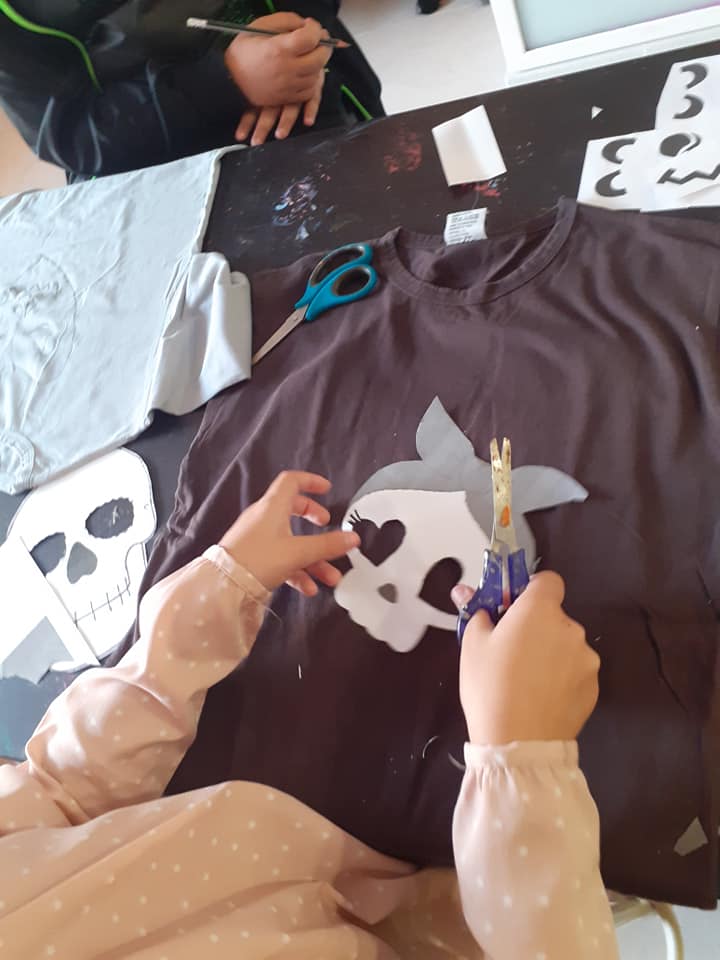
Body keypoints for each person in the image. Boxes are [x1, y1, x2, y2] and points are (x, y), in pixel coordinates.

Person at [0, 471, 617, 959]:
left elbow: (57, 792)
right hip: (492, 914)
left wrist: (211, 598)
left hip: (328, 852)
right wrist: (522, 770)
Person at [0, 1, 384, 179]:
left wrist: (302, 38)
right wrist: (229, 79)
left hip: (305, 93)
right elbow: (70, 135)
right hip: (160, 166)